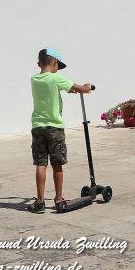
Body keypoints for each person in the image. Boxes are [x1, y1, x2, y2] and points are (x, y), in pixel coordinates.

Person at [30, 48, 92, 213]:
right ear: (55, 63)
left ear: (38, 64)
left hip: (38, 127)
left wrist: (68, 89)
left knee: (40, 164)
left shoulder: (34, 79)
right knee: (57, 165)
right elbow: (81, 88)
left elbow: (52, 90)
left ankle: (40, 202)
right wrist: (86, 86)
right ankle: (58, 200)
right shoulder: (56, 78)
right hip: (55, 128)